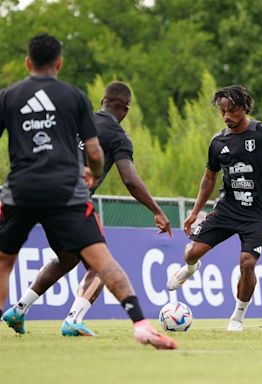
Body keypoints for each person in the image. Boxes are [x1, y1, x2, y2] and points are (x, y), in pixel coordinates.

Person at [0, 33, 176, 349]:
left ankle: (18, 309)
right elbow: (119, 172)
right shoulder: (82, 106)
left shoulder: (13, 98)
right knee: (99, 262)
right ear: (59, 63)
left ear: (27, 62)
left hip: (21, 189)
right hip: (67, 196)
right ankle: (99, 322)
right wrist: (95, 178)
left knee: (49, 260)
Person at [166, 85, 262, 331]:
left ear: (245, 108)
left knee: (247, 263)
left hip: (258, 215)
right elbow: (209, 178)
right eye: (223, 111)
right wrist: (196, 211)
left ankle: (237, 317)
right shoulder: (218, 142)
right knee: (190, 253)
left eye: (232, 110)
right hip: (226, 210)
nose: (227, 116)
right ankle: (191, 268)